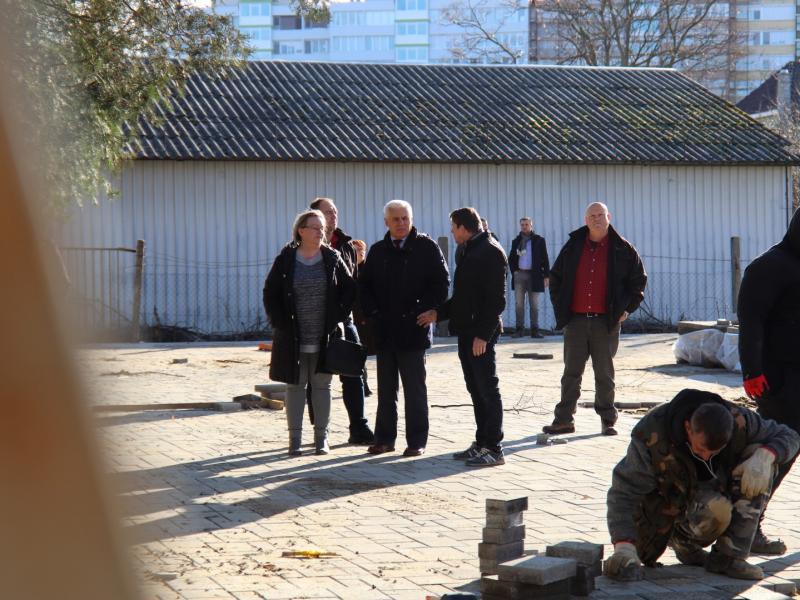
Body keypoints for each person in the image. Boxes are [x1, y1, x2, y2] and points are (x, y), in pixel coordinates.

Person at [604, 389, 800, 581]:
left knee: (760, 457)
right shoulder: (652, 432)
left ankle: (728, 557)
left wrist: (766, 456)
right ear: (688, 428)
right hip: (662, 514)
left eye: (715, 452)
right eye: (701, 449)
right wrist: (624, 545)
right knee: (715, 510)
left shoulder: (739, 420)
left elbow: (790, 436)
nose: (706, 457)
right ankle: (677, 542)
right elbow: (623, 492)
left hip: (708, 500)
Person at [543, 202, 647, 436]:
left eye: (600, 215)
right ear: (585, 220)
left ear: (609, 216)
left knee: (604, 374)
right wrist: (561, 307)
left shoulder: (623, 249)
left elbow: (639, 281)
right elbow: (556, 277)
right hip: (576, 322)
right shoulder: (573, 246)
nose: (596, 219)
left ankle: (607, 420)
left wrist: (627, 309)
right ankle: (564, 420)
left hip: (606, 323)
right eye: (592, 216)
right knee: (571, 374)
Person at [358, 199, 449, 457]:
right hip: (385, 330)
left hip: (414, 329)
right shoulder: (378, 251)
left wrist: (427, 309)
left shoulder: (426, 248)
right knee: (386, 391)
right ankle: (384, 439)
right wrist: (373, 314)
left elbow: (441, 283)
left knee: (415, 390)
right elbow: (364, 286)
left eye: (405, 218)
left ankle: (416, 441)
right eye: (396, 219)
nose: (401, 223)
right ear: (386, 222)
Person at [418, 208, 508, 467]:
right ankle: (481, 443)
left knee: (487, 389)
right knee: (475, 388)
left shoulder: (490, 251)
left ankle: (494, 448)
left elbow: (497, 301)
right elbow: (463, 297)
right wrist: (439, 313)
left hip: (480, 334)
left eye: (453, 227)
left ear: (463, 227)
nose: (451, 232)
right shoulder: (469, 249)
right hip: (467, 331)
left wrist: (483, 335)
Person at [263, 209, 355, 456]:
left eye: (322, 228)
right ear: (301, 230)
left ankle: (321, 439)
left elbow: (349, 290)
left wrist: (337, 316)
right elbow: (270, 292)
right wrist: (279, 322)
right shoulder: (286, 259)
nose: (320, 232)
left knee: (322, 386)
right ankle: (294, 439)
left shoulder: (332, 257)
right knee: (295, 386)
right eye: (315, 227)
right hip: (293, 337)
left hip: (324, 336)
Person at [737, 206, 800, 554]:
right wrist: (752, 370)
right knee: (776, 453)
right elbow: (751, 321)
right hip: (780, 381)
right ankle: (746, 527)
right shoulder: (769, 267)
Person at [304, 197, 375, 444]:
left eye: (335, 211)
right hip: (313, 322)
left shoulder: (346, 244)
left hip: (344, 320)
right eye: (328, 212)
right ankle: (320, 430)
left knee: (353, 373)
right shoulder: (302, 247)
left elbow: (354, 284)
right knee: (316, 378)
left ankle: (359, 426)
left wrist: (361, 262)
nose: (333, 215)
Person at [509, 217, 550, 338]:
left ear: (531, 225)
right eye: (522, 225)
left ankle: (534, 330)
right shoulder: (516, 241)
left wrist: (546, 276)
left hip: (535, 275)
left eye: (526, 224)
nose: (524, 226)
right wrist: (514, 272)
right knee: (519, 305)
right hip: (519, 275)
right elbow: (511, 258)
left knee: (534, 305)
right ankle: (519, 330)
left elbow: (545, 258)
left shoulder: (539, 240)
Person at [351, 238, 374, 397]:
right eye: (356, 251)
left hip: (366, 319)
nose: (359, 253)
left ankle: (363, 384)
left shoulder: (369, 271)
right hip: (352, 318)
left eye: (361, 250)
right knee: (354, 353)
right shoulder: (347, 270)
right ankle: (360, 384)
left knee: (362, 353)